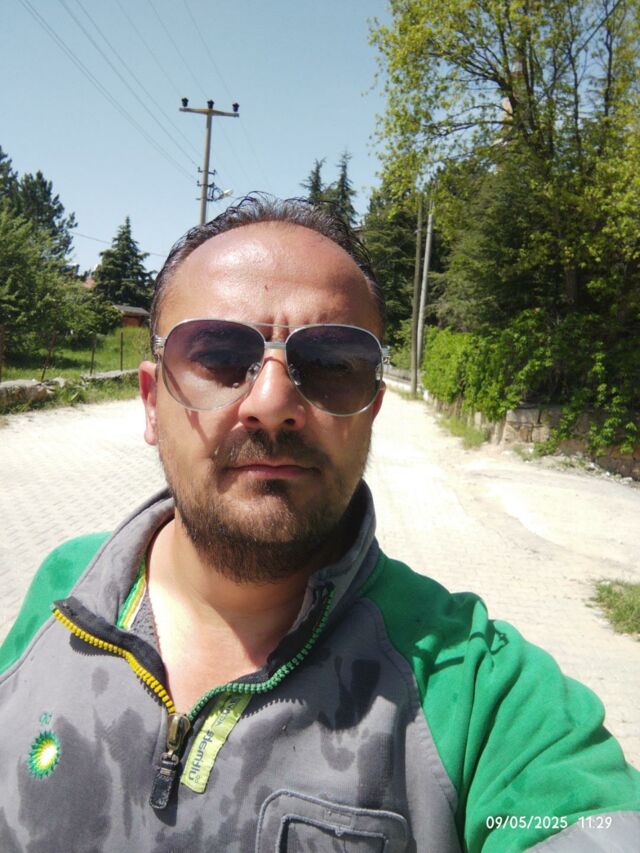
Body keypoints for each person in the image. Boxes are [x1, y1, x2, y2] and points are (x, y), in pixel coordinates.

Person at [0, 195, 638, 853]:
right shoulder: (62, 591)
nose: (272, 402)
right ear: (151, 402)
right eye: (219, 354)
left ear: (372, 410)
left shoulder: (478, 693)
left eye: (332, 363)